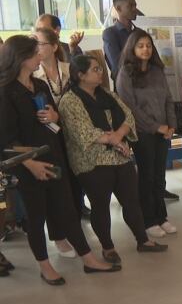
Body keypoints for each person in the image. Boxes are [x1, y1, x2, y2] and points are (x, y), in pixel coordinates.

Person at [0, 36, 122, 284]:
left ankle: (88, 259)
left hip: (53, 156)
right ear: (21, 58)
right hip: (27, 163)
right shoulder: (6, 92)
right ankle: (45, 267)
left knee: (68, 210)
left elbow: (56, 122)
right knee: (37, 217)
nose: (41, 56)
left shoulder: (40, 86)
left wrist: (54, 116)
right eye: (36, 53)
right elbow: (6, 139)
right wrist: (31, 163)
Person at [59, 55, 168, 265]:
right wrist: (114, 139)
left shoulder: (106, 94)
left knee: (131, 200)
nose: (100, 73)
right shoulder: (70, 100)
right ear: (80, 75)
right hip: (91, 160)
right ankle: (108, 247)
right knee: (100, 205)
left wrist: (118, 137)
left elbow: (127, 115)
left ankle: (142, 240)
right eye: (95, 70)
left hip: (119, 154)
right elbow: (83, 132)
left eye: (100, 69)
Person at [116, 29, 178, 238]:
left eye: (149, 45)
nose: (146, 49)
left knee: (160, 177)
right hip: (143, 133)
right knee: (147, 177)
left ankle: (161, 216)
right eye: (141, 46)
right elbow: (130, 108)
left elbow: (168, 99)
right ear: (132, 49)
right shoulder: (126, 73)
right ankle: (148, 219)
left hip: (163, 132)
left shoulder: (157, 71)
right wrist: (155, 127)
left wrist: (171, 125)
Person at [33, 27, 89, 256]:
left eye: (40, 44)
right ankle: (58, 236)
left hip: (74, 134)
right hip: (49, 137)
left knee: (75, 186)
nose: (37, 49)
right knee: (55, 186)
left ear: (54, 46)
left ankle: (76, 230)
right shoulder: (32, 76)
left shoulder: (70, 70)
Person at [102, 0, 137, 82]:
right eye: (130, 6)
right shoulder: (110, 33)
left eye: (135, 5)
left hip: (144, 84)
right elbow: (117, 66)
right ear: (118, 8)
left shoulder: (139, 32)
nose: (134, 9)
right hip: (124, 85)